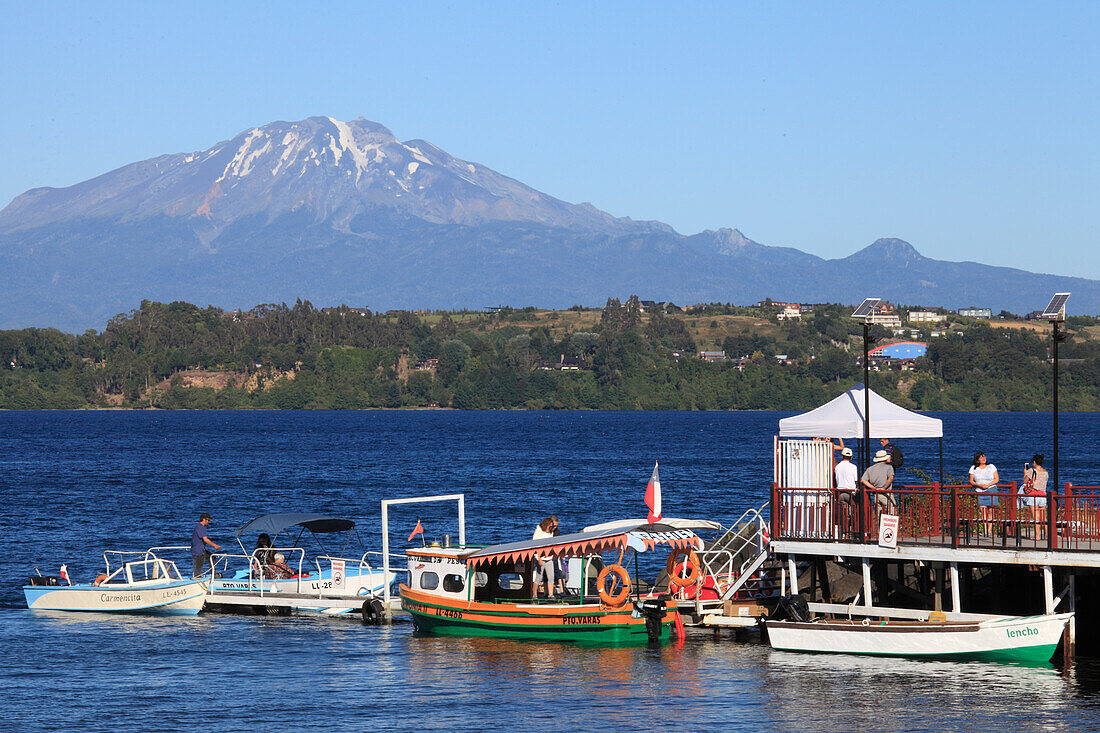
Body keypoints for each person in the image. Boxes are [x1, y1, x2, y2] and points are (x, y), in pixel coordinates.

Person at [969, 452, 999, 535]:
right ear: (977, 460)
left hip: (991, 489)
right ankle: (985, 529)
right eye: (981, 457)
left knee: (991, 510)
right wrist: (980, 485)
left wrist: (988, 485)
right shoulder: (973, 468)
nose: (983, 458)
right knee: (983, 510)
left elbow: (996, 479)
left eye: (984, 456)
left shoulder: (991, 466)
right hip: (980, 491)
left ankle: (989, 530)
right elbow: (971, 481)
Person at [532, 516, 558, 599]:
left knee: (551, 577)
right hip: (540, 558)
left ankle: (550, 594)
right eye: (550, 526)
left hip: (549, 558)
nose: (551, 528)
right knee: (538, 578)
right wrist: (538, 558)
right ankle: (534, 594)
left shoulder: (551, 533)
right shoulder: (538, 532)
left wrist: (553, 554)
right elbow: (535, 547)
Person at [834, 447, 859, 536]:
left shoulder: (837, 467)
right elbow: (855, 481)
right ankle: (851, 532)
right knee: (853, 513)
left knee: (843, 514)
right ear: (851, 457)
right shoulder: (853, 467)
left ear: (842, 456)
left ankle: (843, 532)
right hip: (850, 493)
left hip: (840, 492)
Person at [1021, 454, 1049, 529]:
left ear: (1034, 462)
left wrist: (1025, 473)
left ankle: (1037, 536)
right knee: (1044, 518)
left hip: (1033, 495)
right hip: (1043, 495)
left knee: (1036, 518)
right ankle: (1047, 534)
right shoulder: (1046, 472)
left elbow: (1025, 481)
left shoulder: (1031, 471)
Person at [190, 512, 221, 577]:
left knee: (212, 557)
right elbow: (206, 540)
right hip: (198, 551)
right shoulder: (201, 527)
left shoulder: (199, 527)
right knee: (199, 567)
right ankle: (197, 579)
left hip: (200, 550)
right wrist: (215, 545)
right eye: (208, 520)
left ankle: (213, 574)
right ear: (204, 519)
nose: (209, 522)